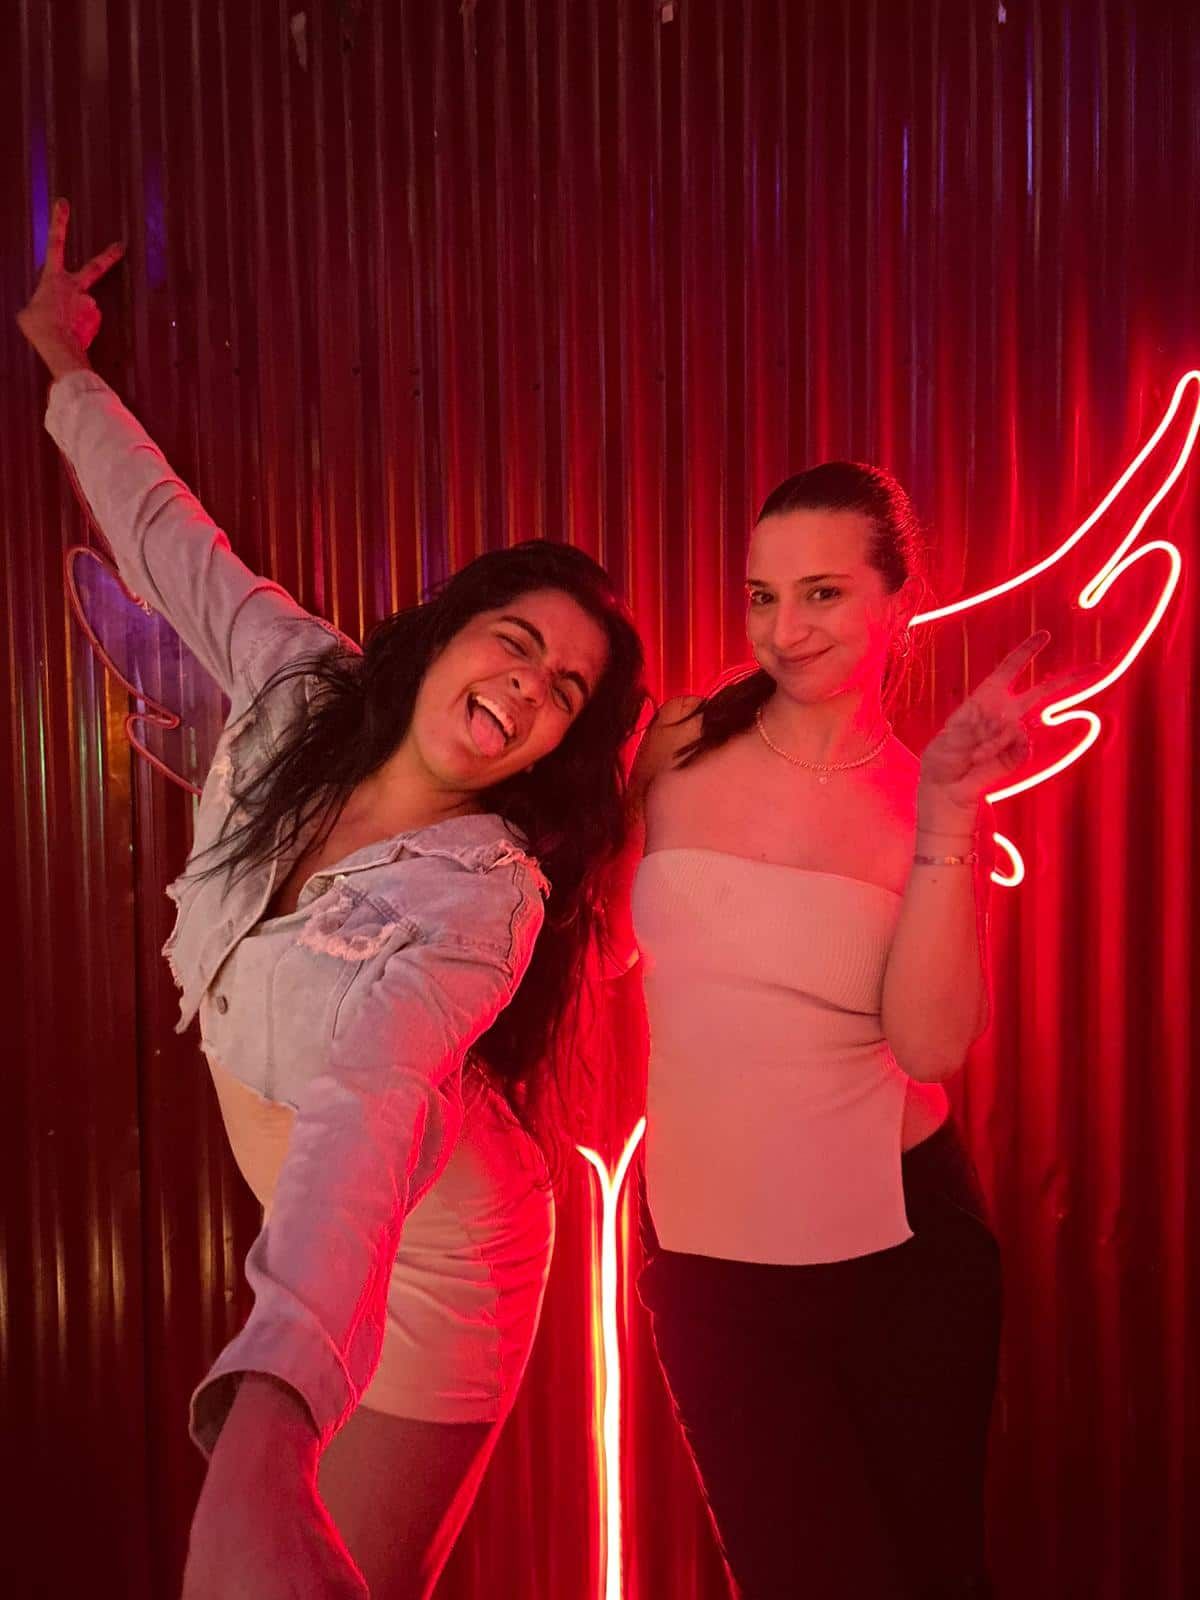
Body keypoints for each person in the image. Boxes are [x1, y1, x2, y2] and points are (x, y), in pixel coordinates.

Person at [18, 199, 647, 1600]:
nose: (528, 688)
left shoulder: (490, 896)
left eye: (566, 693)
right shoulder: (303, 685)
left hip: (435, 1263)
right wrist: (66, 372)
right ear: (451, 629)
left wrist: (265, 1414)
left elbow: (372, 1106)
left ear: (561, 741)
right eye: (518, 641)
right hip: (313, 1222)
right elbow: (173, 545)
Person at [618, 463, 1079, 1599]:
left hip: (903, 1262)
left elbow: (930, 1047)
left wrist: (950, 818)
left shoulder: (918, 797)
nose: (786, 628)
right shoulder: (676, 742)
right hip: (713, 1266)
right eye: (763, 596)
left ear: (897, 606)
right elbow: (586, 933)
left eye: (822, 593)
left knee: (927, 1576)